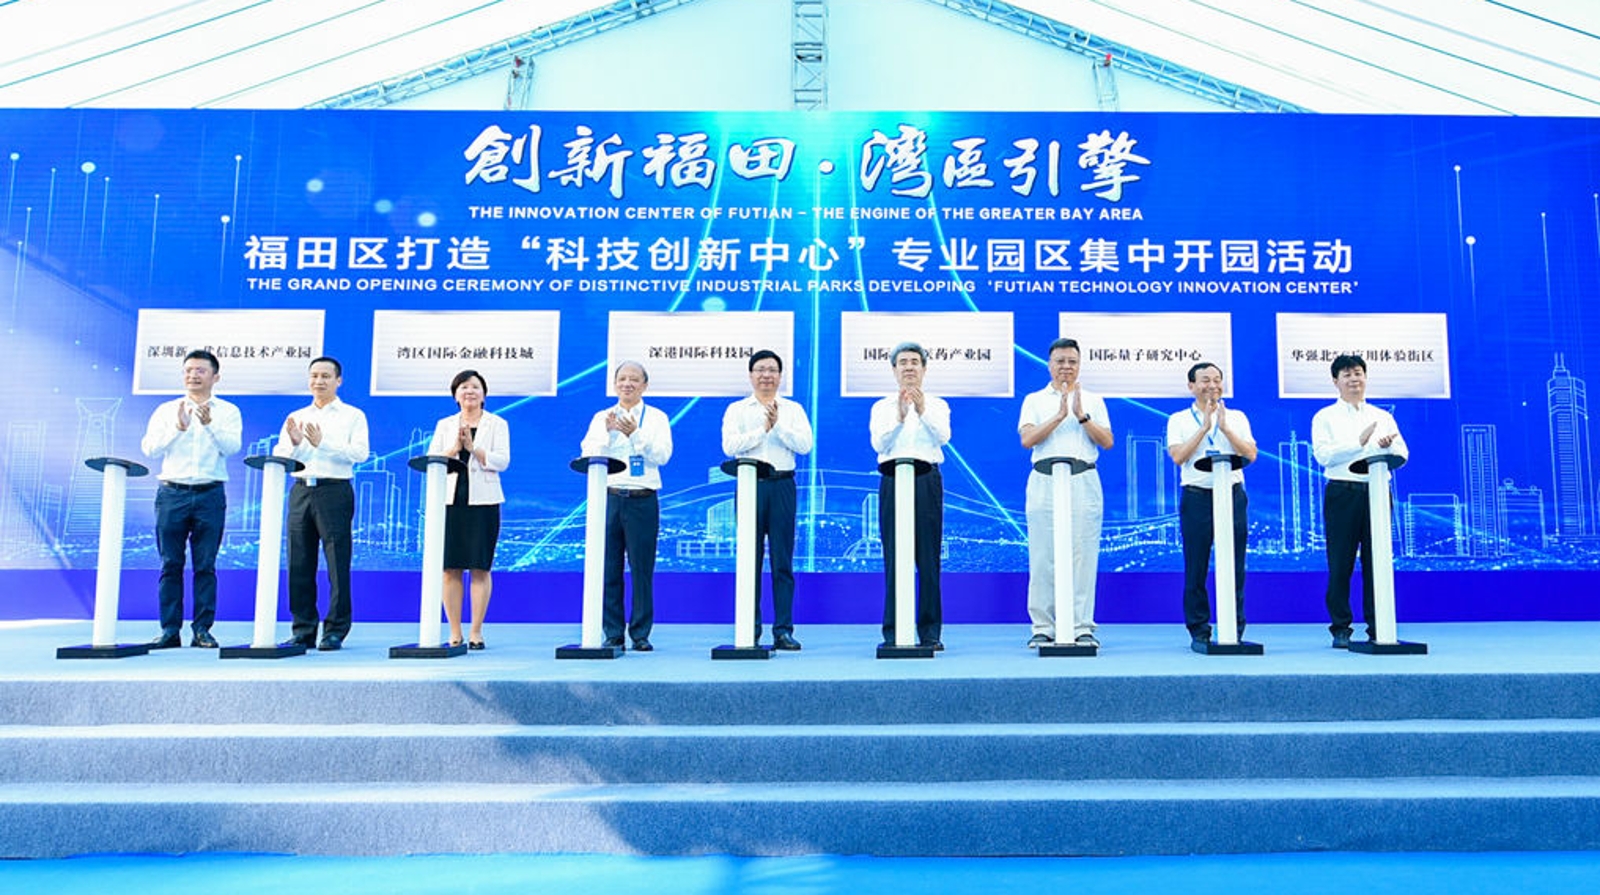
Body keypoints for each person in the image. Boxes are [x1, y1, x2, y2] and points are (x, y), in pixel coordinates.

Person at [139, 349, 242, 649]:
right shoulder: (166, 410)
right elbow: (150, 449)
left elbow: (232, 447)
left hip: (210, 494)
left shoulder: (228, 412)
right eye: (188, 370)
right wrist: (178, 428)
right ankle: (170, 630)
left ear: (215, 377)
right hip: (172, 494)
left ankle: (202, 630)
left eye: (200, 370)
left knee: (205, 565)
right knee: (170, 563)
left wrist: (210, 425)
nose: (193, 375)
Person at [1019, 337, 1114, 648]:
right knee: (1043, 555)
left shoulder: (1093, 400)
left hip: (1083, 479)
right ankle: (1043, 626)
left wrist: (1081, 415)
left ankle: (1081, 626)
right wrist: (1059, 416)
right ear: (1049, 365)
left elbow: (1107, 441)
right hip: (1044, 481)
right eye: (1060, 361)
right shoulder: (1034, 399)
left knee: (1083, 555)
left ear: (1079, 364)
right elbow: (1028, 439)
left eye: (1072, 361)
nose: (1066, 367)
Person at [1312, 353, 1408, 649]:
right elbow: (1324, 456)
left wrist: (1385, 448)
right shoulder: (1325, 416)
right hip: (1343, 492)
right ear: (1335, 381)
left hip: (1377, 492)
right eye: (1347, 375)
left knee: (1377, 561)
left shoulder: (1382, 416)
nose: (1354, 379)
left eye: (1358, 373)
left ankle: (1379, 626)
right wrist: (1360, 442)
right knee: (1340, 562)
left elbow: (1402, 452)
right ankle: (1341, 628)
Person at [274, 356, 370, 651]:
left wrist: (323, 443)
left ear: (338, 381)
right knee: (299, 562)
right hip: (301, 490)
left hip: (334, 491)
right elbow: (281, 454)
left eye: (325, 376)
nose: (319, 381)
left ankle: (335, 630)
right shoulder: (296, 416)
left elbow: (360, 453)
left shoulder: (353, 415)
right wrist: (294, 443)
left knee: (337, 563)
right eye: (314, 375)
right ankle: (303, 630)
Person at [721, 349, 814, 650]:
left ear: (780, 375)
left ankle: (783, 630)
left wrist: (779, 426)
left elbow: (805, 445)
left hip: (782, 485)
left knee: (782, 561)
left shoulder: (793, 409)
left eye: (772, 370)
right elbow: (730, 447)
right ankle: (749, 630)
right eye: (760, 369)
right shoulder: (737, 410)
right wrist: (762, 430)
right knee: (749, 560)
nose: (766, 375)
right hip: (750, 486)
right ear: (751, 375)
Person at [580, 361, 673, 652]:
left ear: (645, 385)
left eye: (634, 379)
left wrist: (636, 435)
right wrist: (607, 434)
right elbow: (588, 452)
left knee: (642, 570)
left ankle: (641, 633)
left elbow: (663, 456)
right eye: (622, 379)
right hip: (608, 498)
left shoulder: (656, 418)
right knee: (609, 569)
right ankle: (613, 633)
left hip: (642, 499)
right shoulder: (601, 417)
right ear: (614, 384)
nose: (627, 384)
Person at [1166, 362, 1257, 650]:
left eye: (1217, 379)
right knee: (1196, 566)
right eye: (1205, 380)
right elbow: (1178, 456)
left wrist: (1225, 428)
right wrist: (1204, 427)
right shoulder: (1178, 419)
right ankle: (1199, 629)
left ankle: (1234, 628)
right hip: (1197, 496)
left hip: (1232, 494)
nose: (1213, 385)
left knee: (1235, 566)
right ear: (1191, 386)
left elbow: (1250, 454)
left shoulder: (1237, 417)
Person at [870, 342, 950, 650]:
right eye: (902, 362)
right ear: (894, 370)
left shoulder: (938, 404)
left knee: (928, 558)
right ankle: (893, 630)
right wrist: (901, 417)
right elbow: (880, 444)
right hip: (893, 480)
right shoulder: (881, 407)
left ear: (924, 368)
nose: (909, 367)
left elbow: (943, 437)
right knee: (894, 557)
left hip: (926, 480)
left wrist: (922, 410)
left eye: (915, 362)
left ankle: (930, 633)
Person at [427, 369, 510, 650]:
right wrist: (454, 448)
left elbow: (503, 461)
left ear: (484, 394)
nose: (469, 392)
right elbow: (433, 459)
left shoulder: (497, 424)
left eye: (475, 387)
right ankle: (454, 632)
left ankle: (476, 631)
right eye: (463, 387)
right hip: (450, 503)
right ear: (455, 395)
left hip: (483, 503)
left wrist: (474, 449)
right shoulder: (444, 424)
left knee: (480, 568)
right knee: (450, 569)